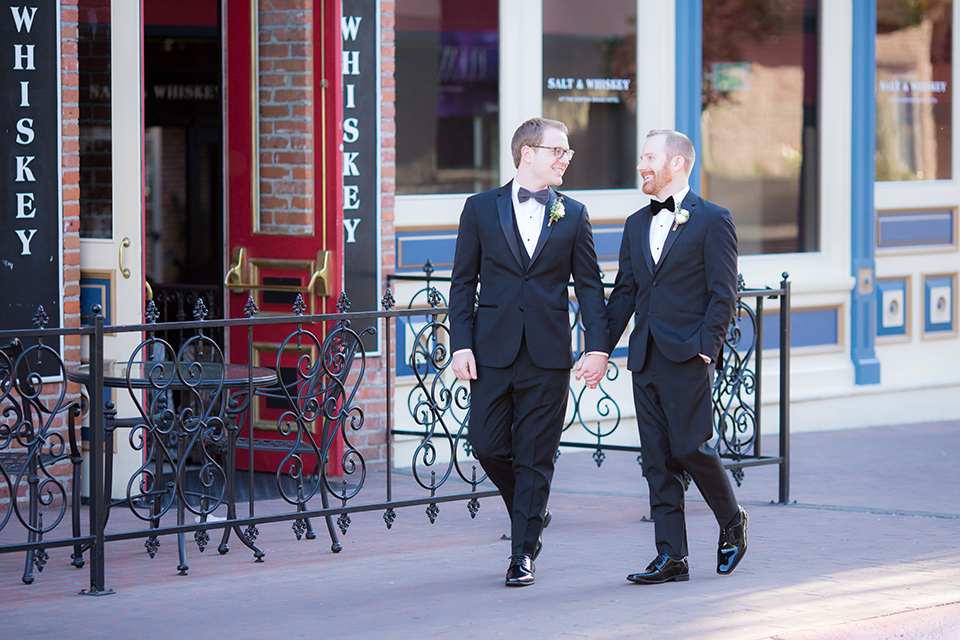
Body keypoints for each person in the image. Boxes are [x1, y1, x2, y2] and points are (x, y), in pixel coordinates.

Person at [449, 117, 609, 587]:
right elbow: (462, 283)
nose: (565, 159)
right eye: (557, 150)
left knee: (536, 454)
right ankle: (532, 507)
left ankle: (523, 552)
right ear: (527, 153)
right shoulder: (479, 208)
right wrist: (460, 343)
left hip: (549, 355)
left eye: (567, 152)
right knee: (487, 444)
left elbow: (591, 288)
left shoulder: (574, 214)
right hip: (491, 350)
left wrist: (597, 347)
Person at [603, 129, 747, 584]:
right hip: (644, 356)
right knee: (656, 459)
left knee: (690, 448)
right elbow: (625, 292)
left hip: (688, 355)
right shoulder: (634, 224)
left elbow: (723, 293)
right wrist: (599, 348)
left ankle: (733, 521)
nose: (642, 165)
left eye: (649, 157)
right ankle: (672, 557)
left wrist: (706, 349)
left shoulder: (713, 219)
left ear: (678, 163)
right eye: (642, 156)